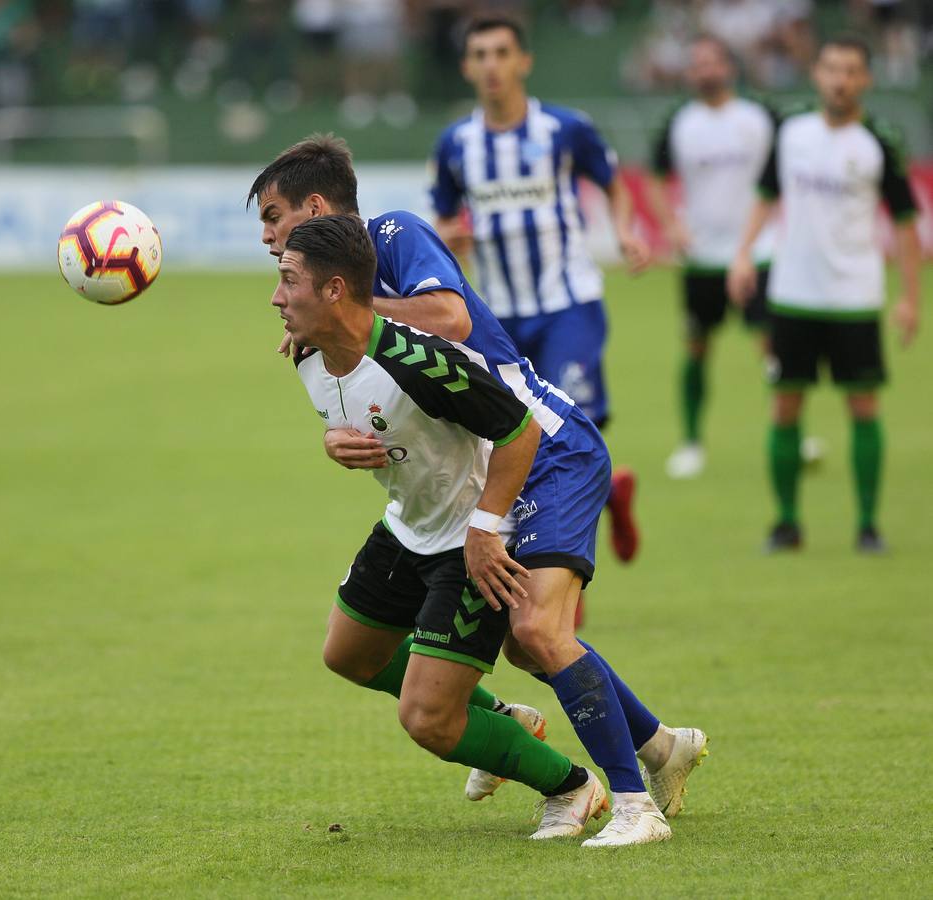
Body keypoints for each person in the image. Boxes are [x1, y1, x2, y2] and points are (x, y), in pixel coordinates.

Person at [250, 143, 707, 846]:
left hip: (539, 442)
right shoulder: (315, 323)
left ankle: (628, 803)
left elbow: (453, 319)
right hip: (475, 456)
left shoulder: (391, 236)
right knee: (522, 642)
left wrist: (348, 311)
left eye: (275, 217)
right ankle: (656, 746)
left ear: (315, 208)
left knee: (536, 630)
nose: (266, 236)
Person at [276, 213, 611, 843]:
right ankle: (504, 719)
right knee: (347, 654)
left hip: (470, 543)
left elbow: (519, 429)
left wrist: (487, 528)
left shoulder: (421, 360)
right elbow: (351, 411)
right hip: (407, 527)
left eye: (288, 280)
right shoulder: (306, 354)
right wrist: (331, 442)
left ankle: (571, 787)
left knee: (427, 720)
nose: (274, 296)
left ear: (335, 290)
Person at [428, 15, 646, 564]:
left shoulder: (565, 129)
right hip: (497, 318)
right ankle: (612, 492)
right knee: (513, 441)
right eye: (480, 54)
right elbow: (443, 222)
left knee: (567, 438)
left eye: (502, 53)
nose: (491, 65)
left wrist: (624, 230)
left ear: (523, 61)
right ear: (467, 67)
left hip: (568, 303)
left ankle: (561, 590)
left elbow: (613, 186)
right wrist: (451, 234)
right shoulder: (456, 144)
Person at [727, 34, 921, 553]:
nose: (840, 79)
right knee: (785, 407)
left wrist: (909, 298)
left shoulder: (879, 139)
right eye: (832, 68)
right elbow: (766, 197)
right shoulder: (792, 133)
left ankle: (868, 525)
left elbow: (905, 225)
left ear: (866, 80)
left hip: (856, 296)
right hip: (793, 293)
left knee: (864, 408)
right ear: (817, 74)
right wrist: (743, 254)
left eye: (851, 70)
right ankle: (787, 523)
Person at [646, 34, 777, 479]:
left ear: (729, 67)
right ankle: (692, 442)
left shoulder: (760, 117)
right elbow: (655, 178)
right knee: (698, 348)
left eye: (711, 63)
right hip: (702, 258)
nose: (704, 71)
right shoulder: (679, 122)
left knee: (773, 347)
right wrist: (672, 224)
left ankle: (792, 429)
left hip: (758, 254)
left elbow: (782, 178)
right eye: (696, 64)